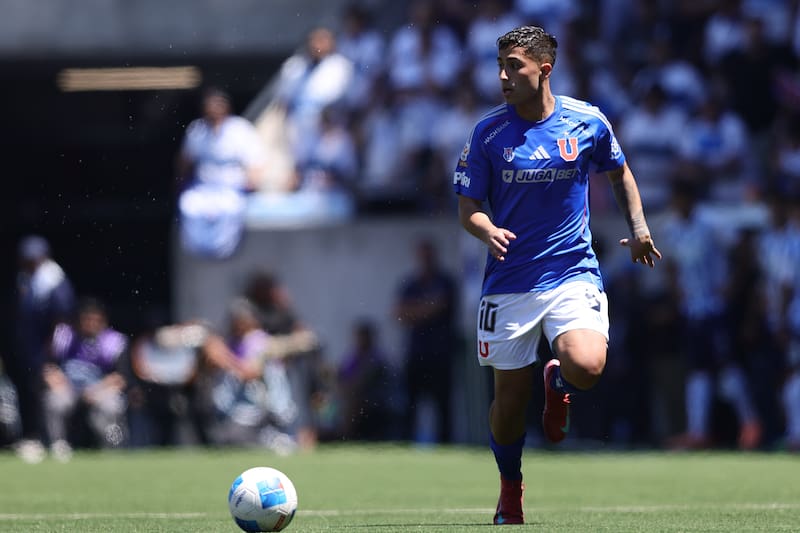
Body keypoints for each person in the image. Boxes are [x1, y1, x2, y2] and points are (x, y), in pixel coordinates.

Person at [453, 26, 661, 525]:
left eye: (514, 67)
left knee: (588, 367)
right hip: (510, 282)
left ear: (544, 70)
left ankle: (560, 380)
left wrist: (638, 226)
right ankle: (511, 488)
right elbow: (467, 208)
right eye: (499, 66)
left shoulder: (586, 121)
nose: (503, 76)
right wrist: (487, 231)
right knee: (509, 402)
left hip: (573, 271)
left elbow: (619, 172)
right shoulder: (488, 133)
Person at [175, 87, 266, 259]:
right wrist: (181, 182)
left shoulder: (239, 129)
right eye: (210, 104)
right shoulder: (197, 130)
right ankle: (200, 252)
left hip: (231, 188)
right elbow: (184, 162)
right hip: (204, 187)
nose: (213, 108)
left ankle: (224, 251)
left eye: (218, 104)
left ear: (226, 106)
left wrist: (251, 184)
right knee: (189, 205)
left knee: (230, 209)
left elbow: (256, 162)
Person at [8, 235, 76, 463]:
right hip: (29, 351)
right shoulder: (27, 279)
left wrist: (51, 360)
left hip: (46, 354)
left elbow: (61, 324)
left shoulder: (54, 281)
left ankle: (56, 441)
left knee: (49, 396)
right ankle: (34, 438)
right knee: (30, 394)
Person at [43, 297, 128, 460]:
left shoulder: (114, 342)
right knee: (54, 401)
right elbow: (49, 367)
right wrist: (56, 380)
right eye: (86, 320)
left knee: (112, 406)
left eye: (95, 320)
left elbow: (121, 378)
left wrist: (96, 391)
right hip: (69, 387)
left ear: (103, 321)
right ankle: (58, 446)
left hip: (100, 389)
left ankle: (112, 448)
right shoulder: (64, 336)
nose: (90, 324)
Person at [394, 238, 460, 444]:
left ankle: (445, 444)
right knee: (411, 404)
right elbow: (400, 312)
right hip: (416, 353)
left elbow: (442, 305)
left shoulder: (446, 281)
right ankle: (407, 442)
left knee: (443, 405)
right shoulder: (411, 283)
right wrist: (427, 308)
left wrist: (418, 310)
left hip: (441, 353)